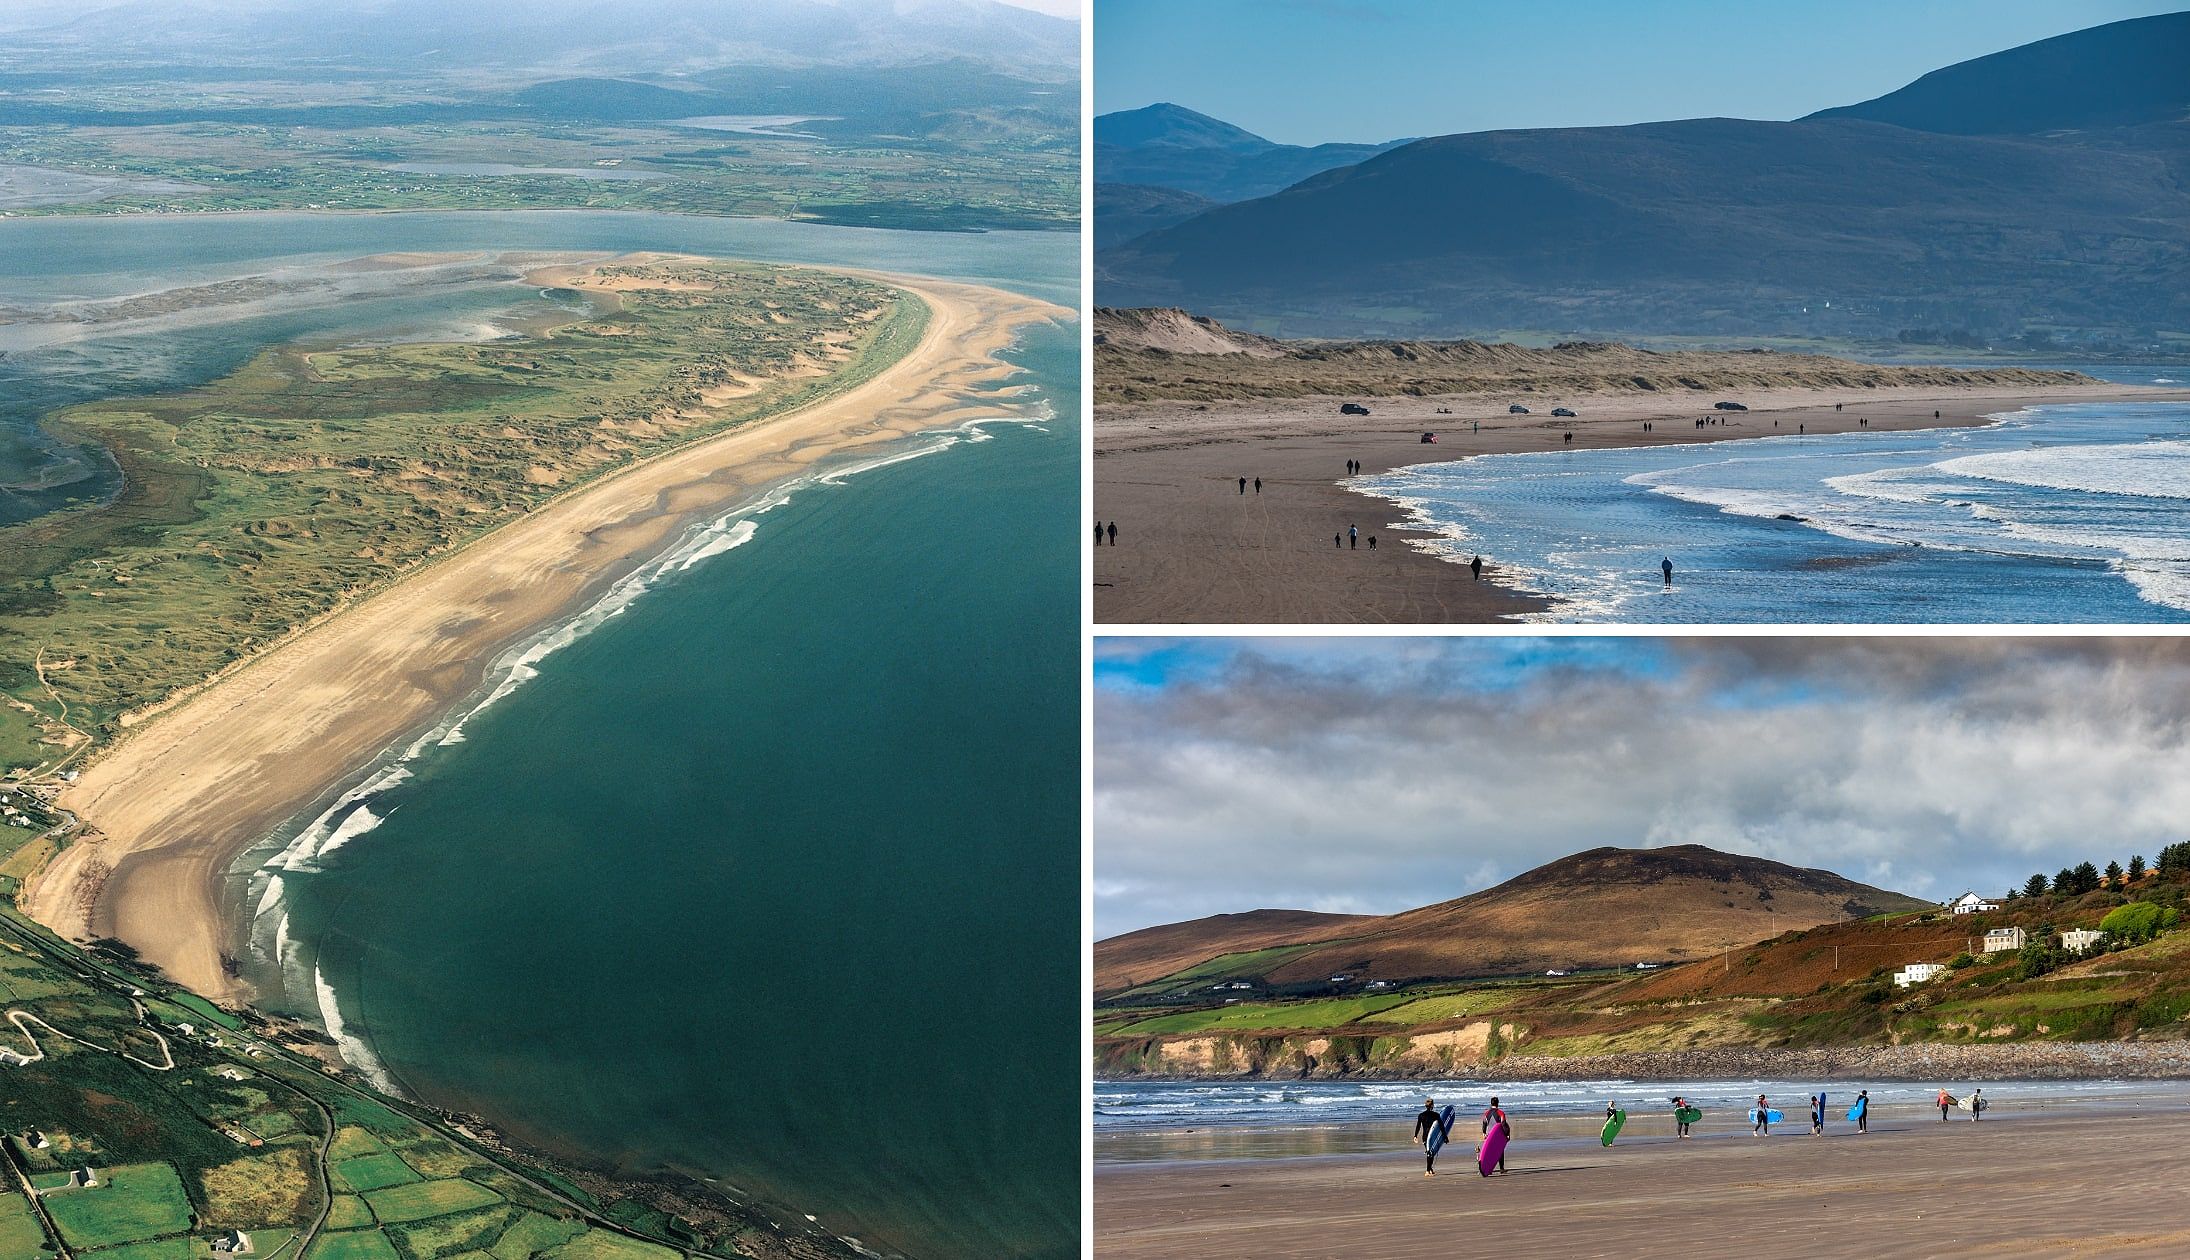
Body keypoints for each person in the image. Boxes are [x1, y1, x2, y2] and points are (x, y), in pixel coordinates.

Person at [1414, 1099, 1444, 1176]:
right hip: (1432, 1136)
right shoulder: (1436, 1115)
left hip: (1425, 1137)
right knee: (1430, 1153)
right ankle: (1427, 1171)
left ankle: (1430, 1169)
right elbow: (1441, 1126)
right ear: (1432, 1106)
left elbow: (1418, 1126)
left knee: (1430, 1152)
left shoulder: (1421, 1115)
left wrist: (1415, 1136)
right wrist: (1445, 1136)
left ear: (1425, 1106)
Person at [1481, 1097, 1509, 1173]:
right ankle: (1501, 1168)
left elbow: (1484, 1124)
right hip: (1498, 1135)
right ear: (1498, 1103)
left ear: (1491, 1103)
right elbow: (1503, 1124)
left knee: (1489, 1152)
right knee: (1500, 1151)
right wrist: (1507, 1134)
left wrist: (1484, 1133)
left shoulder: (1486, 1113)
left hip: (1489, 1135)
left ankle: (1489, 1169)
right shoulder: (1501, 1113)